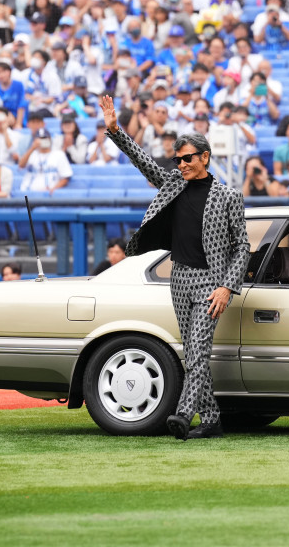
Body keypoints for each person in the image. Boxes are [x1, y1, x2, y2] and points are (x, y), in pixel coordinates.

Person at [100, 94, 250, 440]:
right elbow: (144, 163)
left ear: (205, 157)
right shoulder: (173, 185)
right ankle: (211, 420)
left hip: (212, 283)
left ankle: (183, 414)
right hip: (179, 279)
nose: (181, 164)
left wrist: (227, 287)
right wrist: (116, 131)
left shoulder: (229, 196)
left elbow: (243, 247)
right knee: (193, 352)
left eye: (187, 159)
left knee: (197, 350)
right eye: (177, 159)